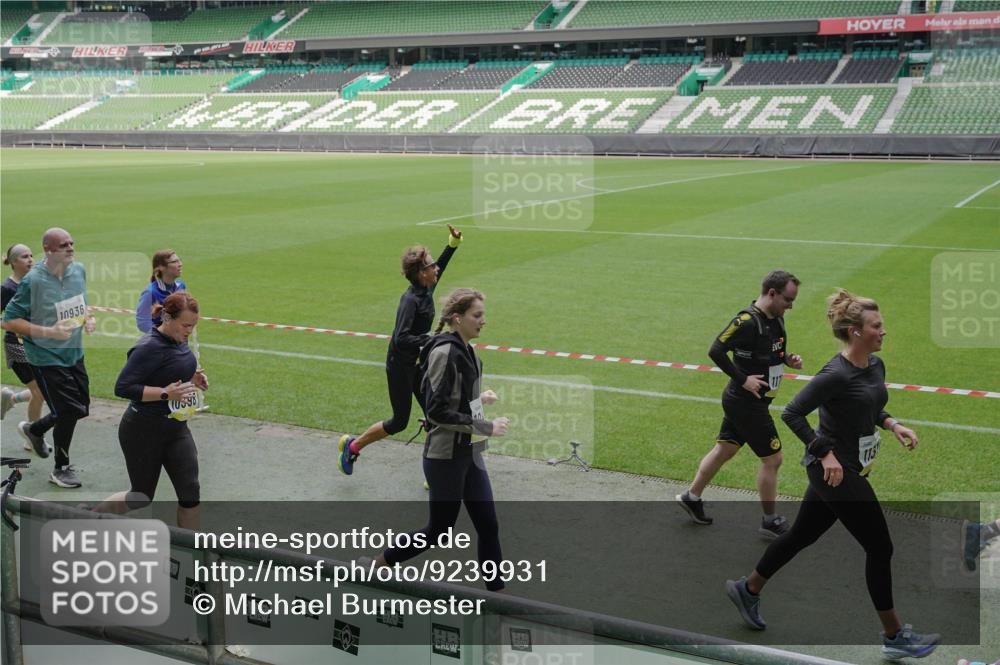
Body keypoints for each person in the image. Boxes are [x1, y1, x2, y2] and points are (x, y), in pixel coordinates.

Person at [725, 289, 938, 661]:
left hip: (849, 468)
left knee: (800, 536)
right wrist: (824, 453)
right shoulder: (834, 374)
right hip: (834, 474)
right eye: (877, 326)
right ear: (855, 331)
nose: (883, 331)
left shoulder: (874, 365)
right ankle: (893, 636)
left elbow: (870, 406)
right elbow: (792, 413)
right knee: (880, 547)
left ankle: (749, 588)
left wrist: (893, 424)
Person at [369, 288, 509, 590]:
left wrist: (479, 398)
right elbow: (436, 411)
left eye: (483, 314)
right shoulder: (444, 353)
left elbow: (456, 402)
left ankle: (497, 598)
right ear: (457, 318)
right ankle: (378, 564)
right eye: (477, 315)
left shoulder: (470, 352)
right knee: (438, 531)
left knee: (488, 525)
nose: (483, 321)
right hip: (444, 458)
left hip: (469, 455)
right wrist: (485, 427)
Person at [676, 270, 803, 538]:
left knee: (725, 449)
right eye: (788, 299)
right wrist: (743, 378)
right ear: (772, 293)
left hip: (752, 402)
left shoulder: (776, 319)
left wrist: (787, 359)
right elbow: (715, 350)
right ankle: (769, 521)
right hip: (746, 403)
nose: (790, 305)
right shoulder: (746, 321)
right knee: (774, 459)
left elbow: (773, 352)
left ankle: (691, 496)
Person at [338, 224, 464, 475]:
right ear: (421, 273)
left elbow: (442, 264)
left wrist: (453, 243)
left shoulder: (428, 287)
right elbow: (400, 338)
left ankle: (436, 472)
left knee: (434, 414)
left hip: (417, 364)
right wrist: (427, 340)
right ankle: (353, 446)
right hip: (400, 366)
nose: (436, 267)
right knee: (399, 422)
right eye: (430, 266)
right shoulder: (410, 300)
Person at [92, 292, 208, 529]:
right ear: (167, 317)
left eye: (193, 326)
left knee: (190, 493)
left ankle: (195, 555)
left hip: (176, 430)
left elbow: (172, 368)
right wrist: (166, 393)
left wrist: (193, 377)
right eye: (186, 325)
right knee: (141, 496)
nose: (189, 331)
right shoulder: (148, 347)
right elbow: (123, 387)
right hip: (142, 431)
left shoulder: (179, 339)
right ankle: (92, 516)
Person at [3, 228, 95, 488]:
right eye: (63, 245)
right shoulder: (33, 281)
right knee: (68, 409)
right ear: (48, 249)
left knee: (81, 407)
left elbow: (80, 302)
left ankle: (35, 429)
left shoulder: (78, 270)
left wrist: (89, 317)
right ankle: (60, 469)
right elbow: (8, 320)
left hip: (74, 352)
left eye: (71, 243)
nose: (70, 248)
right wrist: (48, 332)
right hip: (44, 357)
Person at [1, 245, 46, 432]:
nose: (30, 259)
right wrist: (14, 326)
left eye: (30, 256)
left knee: (45, 389)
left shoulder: (33, 281)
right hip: (16, 345)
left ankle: (10, 399)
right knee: (40, 392)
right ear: (13, 262)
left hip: (37, 343)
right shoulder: (7, 288)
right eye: (24, 257)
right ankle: (33, 434)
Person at [136, 249, 186, 333]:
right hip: (161, 342)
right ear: (161, 267)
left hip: (179, 341)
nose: (180, 264)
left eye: (179, 260)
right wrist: (162, 335)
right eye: (174, 262)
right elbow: (143, 323)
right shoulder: (150, 292)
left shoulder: (181, 286)